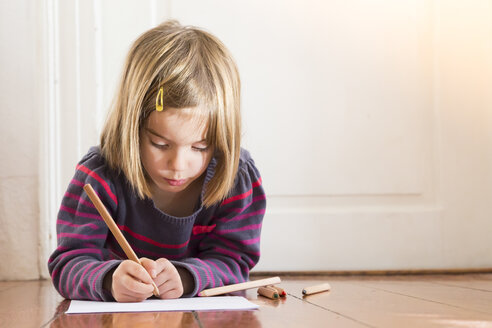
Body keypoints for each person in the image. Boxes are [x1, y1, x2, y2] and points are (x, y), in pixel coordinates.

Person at [48, 20, 266, 302]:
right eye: (160, 144)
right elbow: (68, 264)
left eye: (200, 147)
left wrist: (187, 278)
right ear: (132, 126)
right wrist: (109, 279)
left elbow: (234, 263)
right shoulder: (100, 175)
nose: (178, 164)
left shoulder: (237, 177)